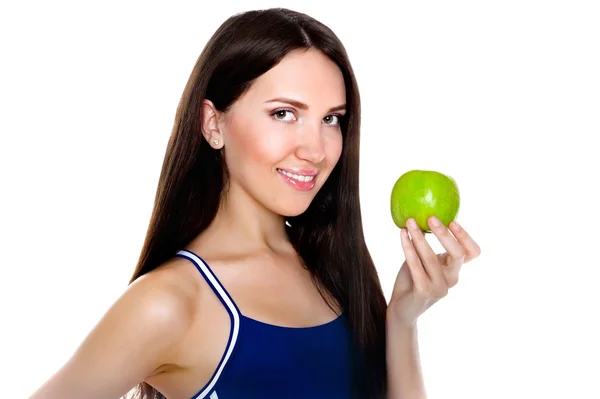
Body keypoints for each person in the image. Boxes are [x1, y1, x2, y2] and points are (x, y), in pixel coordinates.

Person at [29, 7, 481, 399]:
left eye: (331, 119)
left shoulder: (332, 267)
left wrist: (402, 317)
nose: (316, 149)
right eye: (284, 113)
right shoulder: (168, 303)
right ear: (213, 124)